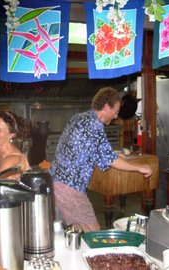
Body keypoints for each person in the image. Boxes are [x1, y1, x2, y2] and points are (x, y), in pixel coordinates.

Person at [49, 87, 152, 232]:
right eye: (115, 111)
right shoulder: (94, 125)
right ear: (105, 107)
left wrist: (114, 155)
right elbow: (110, 160)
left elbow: (90, 149)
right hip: (69, 187)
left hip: (55, 182)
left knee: (76, 230)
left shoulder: (80, 117)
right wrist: (140, 167)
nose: (116, 116)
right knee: (93, 231)